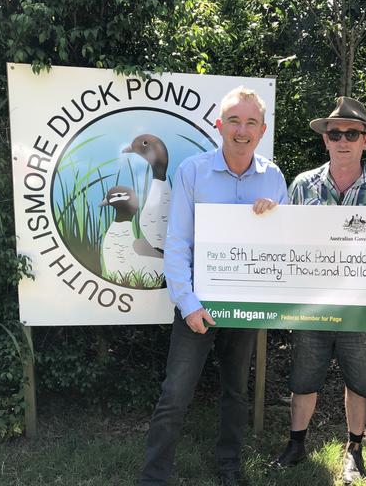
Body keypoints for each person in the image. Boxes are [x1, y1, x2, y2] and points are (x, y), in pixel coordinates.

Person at [139, 86, 288, 486]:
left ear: (262, 129)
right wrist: (188, 304)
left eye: (251, 122)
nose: (242, 130)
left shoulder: (273, 178)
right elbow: (177, 243)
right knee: (175, 395)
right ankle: (155, 477)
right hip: (196, 305)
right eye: (235, 121)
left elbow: (285, 249)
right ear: (220, 126)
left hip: (244, 307)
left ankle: (229, 469)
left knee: (236, 393)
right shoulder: (193, 171)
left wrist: (276, 217)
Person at [276, 96, 366, 484]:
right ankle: (296, 443)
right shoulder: (301, 186)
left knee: (360, 380)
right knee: (303, 376)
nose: (343, 140)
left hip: (362, 309)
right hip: (312, 306)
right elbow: (282, 241)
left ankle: (355, 449)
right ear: (325, 140)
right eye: (335, 133)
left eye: (352, 133)